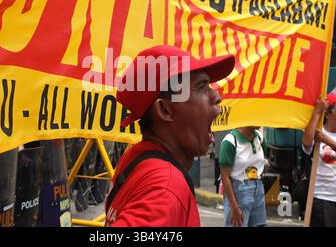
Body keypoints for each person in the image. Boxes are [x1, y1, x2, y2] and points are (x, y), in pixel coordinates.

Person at [104, 45, 235, 227]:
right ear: (165, 110)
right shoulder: (166, 186)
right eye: (201, 87)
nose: (216, 96)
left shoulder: (137, 157)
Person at [219, 127, 267, 227]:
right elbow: (225, 177)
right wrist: (234, 207)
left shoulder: (259, 137)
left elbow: (262, 160)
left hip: (258, 189)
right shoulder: (230, 141)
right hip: (239, 192)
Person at [302, 94, 336, 227]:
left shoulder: (325, 137)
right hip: (321, 198)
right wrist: (317, 112)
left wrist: (329, 142)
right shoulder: (318, 132)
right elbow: (306, 143)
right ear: (327, 114)